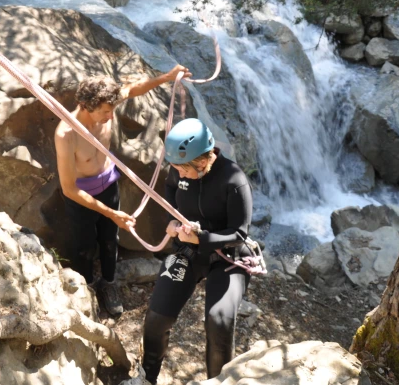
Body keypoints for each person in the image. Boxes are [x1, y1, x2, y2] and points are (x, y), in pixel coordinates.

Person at [55, 66, 191, 315]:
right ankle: (86, 288)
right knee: (83, 246)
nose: (110, 116)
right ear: (86, 106)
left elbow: (132, 89)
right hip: (81, 196)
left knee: (110, 240)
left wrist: (167, 77)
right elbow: (69, 189)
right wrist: (110, 212)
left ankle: (108, 283)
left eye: (112, 110)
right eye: (106, 112)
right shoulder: (66, 134)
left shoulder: (106, 107)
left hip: (108, 184)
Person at [141, 118, 253, 383]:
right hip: (186, 252)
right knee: (156, 317)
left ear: (203, 161)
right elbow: (170, 187)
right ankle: (146, 378)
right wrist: (173, 217)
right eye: (175, 168)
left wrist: (200, 238)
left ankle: (218, 381)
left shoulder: (234, 180)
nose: (179, 174)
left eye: (184, 170)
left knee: (219, 322)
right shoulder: (179, 170)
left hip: (228, 256)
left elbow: (239, 234)